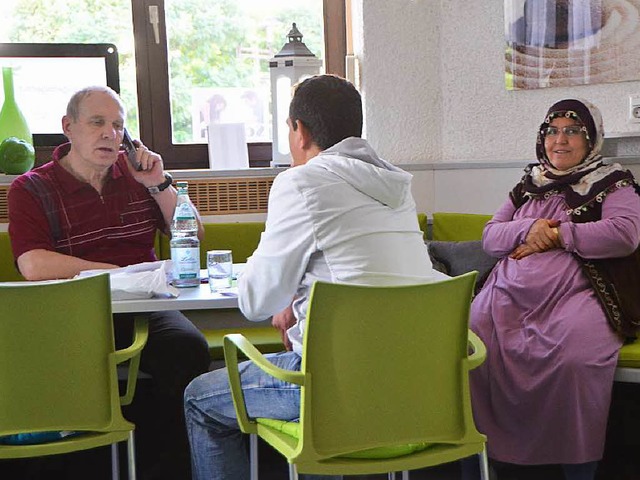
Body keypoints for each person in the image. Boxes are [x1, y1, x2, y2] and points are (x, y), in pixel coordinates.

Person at [183, 74, 445, 480]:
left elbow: (255, 302)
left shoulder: (301, 181)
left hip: (336, 392)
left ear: (299, 130)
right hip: (417, 386)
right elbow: (352, 267)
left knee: (200, 398)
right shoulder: (396, 187)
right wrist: (294, 297)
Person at [7, 86, 210, 479]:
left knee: (187, 350)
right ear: (68, 128)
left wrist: (158, 182)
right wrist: (116, 274)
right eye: (97, 123)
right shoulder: (31, 187)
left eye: (117, 126)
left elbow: (193, 236)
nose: (109, 134)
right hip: (71, 311)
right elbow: (33, 264)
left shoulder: (138, 177)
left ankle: (163, 469)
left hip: (146, 307)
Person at [467, 98, 640, 480]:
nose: (560, 140)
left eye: (572, 131)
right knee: (474, 350)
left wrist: (560, 234)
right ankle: (491, 462)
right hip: (507, 299)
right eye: (553, 130)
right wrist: (528, 230)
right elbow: (491, 237)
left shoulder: (612, 181)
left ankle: (577, 466)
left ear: (591, 138)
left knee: (575, 359)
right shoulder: (529, 184)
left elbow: (625, 234)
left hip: (576, 297)